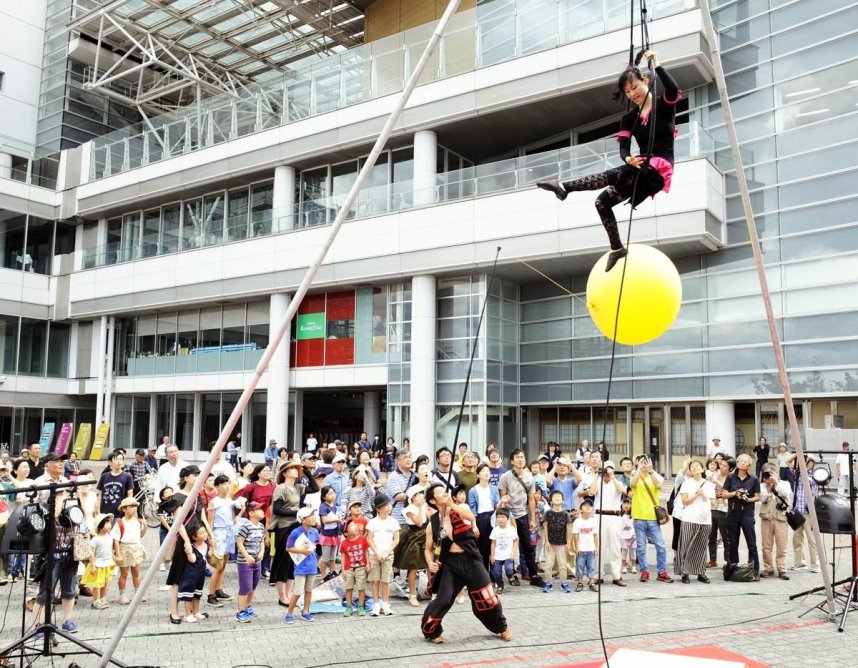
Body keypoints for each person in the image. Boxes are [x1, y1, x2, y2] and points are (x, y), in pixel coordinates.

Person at [536, 50, 679, 271]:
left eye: (635, 87)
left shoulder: (664, 105)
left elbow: (671, 87)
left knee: (614, 175)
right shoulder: (628, 119)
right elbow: (623, 149)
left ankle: (565, 186)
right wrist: (627, 157)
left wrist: (657, 64)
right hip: (638, 169)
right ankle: (617, 248)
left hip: (657, 170)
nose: (632, 94)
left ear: (646, 81)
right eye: (627, 91)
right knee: (601, 202)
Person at [422, 484, 511, 644]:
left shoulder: (458, 508)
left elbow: (470, 517)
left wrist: (451, 504)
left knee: (488, 597)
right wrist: (430, 562)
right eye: (440, 493)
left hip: (471, 559)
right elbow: (428, 549)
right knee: (443, 599)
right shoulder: (432, 523)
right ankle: (432, 631)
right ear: (432, 500)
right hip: (450, 564)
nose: (444, 494)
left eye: (445, 491)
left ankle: (501, 627)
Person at [166, 466, 214, 624]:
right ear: (185, 478)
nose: (198, 478)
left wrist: (211, 536)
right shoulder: (177, 497)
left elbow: (204, 519)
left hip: (199, 540)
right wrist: (186, 541)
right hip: (184, 541)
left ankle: (194, 610)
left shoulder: (198, 496)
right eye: (195, 475)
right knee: (177, 577)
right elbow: (178, 522)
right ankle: (174, 612)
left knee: (196, 575)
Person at [269, 460, 317, 606]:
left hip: (296, 526)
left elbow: (314, 488)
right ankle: (282, 595)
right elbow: (277, 509)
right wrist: (298, 512)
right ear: (284, 473)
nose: (296, 471)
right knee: (282, 560)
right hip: (283, 527)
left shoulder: (298, 487)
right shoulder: (281, 488)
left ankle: (289, 594)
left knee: (293, 561)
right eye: (292, 469)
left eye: (297, 469)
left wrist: (307, 471)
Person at [497, 449, 545, 588]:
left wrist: (531, 519)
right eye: (517, 457)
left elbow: (531, 499)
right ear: (512, 461)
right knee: (507, 544)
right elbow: (502, 497)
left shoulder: (530, 477)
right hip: (508, 516)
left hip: (523, 515)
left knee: (528, 546)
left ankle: (533, 575)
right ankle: (510, 575)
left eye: (522, 457)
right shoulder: (505, 477)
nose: (520, 460)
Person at [583, 455, 629, 586]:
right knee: (599, 546)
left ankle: (616, 575)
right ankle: (598, 575)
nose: (607, 473)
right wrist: (597, 475)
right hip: (599, 516)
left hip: (614, 517)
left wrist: (612, 476)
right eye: (605, 470)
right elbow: (591, 492)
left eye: (609, 470)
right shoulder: (597, 481)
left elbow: (623, 491)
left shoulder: (618, 482)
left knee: (615, 547)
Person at [629, 454, 671, 584]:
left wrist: (650, 470)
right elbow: (633, 483)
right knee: (641, 546)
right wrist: (639, 469)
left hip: (653, 518)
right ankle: (644, 571)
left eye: (646, 461)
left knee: (660, 545)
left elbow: (658, 485)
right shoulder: (635, 475)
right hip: (639, 517)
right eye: (642, 461)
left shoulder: (655, 475)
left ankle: (662, 571)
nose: (644, 463)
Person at [722, 453, 761, 578]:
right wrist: (735, 493)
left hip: (747, 514)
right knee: (733, 543)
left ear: (749, 465)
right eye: (741, 461)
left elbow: (757, 497)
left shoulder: (754, 479)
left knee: (752, 543)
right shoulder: (730, 477)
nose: (743, 463)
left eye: (746, 461)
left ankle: (754, 569)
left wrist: (747, 499)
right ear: (737, 463)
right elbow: (724, 494)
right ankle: (733, 567)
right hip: (733, 513)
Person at [676, 460, 714, 584]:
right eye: (692, 467)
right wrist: (696, 495)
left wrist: (703, 495)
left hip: (704, 519)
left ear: (703, 469)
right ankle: (684, 572)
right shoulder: (686, 483)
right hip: (689, 518)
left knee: (701, 547)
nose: (695, 468)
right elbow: (684, 501)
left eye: (698, 466)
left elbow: (713, 503)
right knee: (685, 545)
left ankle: (700, 572)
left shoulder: (708, 484)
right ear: (690, 471)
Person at [206, 474, 238, 607]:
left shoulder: (231, 501)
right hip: (219, 533)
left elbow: (233, 518)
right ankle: (210, 595)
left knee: (224, 564)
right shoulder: (214, 501)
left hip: (229, 532)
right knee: (218, 565)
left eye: (228, 483)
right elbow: (210, 521)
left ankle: (219, 589)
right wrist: (211, 537)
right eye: (224, 484)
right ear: (217, 486)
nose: (227, 486)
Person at [366, 492, 400, 617]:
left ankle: (385, 603)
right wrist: (377, 553)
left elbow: (396, 539)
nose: (389, 507)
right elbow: (369, 539)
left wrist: (386, 552)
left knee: (385, 580)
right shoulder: (372, 522)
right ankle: (376, 604)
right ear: (378, 509)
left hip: (388, 555)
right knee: (375, 580)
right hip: (374, 555)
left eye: (389, 505)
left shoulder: (394, 521)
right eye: (386, 505)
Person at [284, 507, 320, 624]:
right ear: (302, 520)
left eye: (314, 515)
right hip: (300, 566)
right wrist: (302, 551)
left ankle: (305, 611)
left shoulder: (314, 531)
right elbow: (288, 548)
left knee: (309, 590)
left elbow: (316, 542)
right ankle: (289, 613)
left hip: (312, 565)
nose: (313, 518)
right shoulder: (295, 532)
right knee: (298, 592)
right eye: (310, 516)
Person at [788, 452, 821, 573]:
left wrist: (808, 461)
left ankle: (816, 564)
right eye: (806, 460)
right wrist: (798, 454)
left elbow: (807, 480)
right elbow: (787, 461)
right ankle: (800, 563)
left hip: (809, 511)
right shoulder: (797, 473)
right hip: (797, 510)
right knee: (797, 538)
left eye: (809, 461)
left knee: (812, 539)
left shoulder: (816, 475)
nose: (807, 462)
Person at [234, 501, 267, 623]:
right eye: (259, 509)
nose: (262, 511)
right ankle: (240, 612)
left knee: (253, 586)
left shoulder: (261, 526)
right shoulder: (245, 526)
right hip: (245, 562)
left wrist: (262, 552)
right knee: (245, 587)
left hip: (257, 561)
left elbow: (262, 541)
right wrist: (247, 556)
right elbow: (239, 543)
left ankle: (248, 607)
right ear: (251, 513)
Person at [759, 463, 792, 580]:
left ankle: (782, 569)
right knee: (766, 546)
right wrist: (768, 486)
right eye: (767, 473)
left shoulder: (784, 483)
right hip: (766, 518)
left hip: (781, 518)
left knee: (782, 546)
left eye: (772, 472)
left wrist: (776, 482)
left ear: (776, 472)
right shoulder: (762, 486)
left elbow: (786, 493)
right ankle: (768, 568)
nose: (770, 475)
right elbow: (762, 498)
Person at [111, 497, 147, 605]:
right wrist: (118, 554)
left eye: (135, 506)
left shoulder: (137, 521)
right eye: (131, 506)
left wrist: (145, 526)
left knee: (136, 573)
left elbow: (140, 535)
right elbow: (116, 540)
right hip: (124, 548)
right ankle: (122, 595)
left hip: (135, 548)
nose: (134, 508)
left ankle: (138, 593)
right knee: (124, 573)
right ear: (124, 509)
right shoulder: (120, 523)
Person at [468, 463, 500, 569]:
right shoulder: (473, 490)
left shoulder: (494, 488)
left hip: (493, 517)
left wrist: (503, 501)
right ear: (478, 475)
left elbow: (497, 506)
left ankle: (494, 575)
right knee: (483, 547)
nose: (486, 473)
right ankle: (484, 573)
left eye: (488, 471)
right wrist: (474, 525)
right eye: (483, 471)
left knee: (494, 545)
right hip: (480, 519)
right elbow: (472, 510)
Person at [82, 513, 116, 610]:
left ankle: (103, 598)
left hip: (107, 564)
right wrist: (92, 566)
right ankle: (96, 600)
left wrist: (113, 558)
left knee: (105, 582)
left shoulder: (110, 537)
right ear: (100, 525)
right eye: (106, 523)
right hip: (98, 565)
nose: (109, 525)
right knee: (97, 584)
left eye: (109, 523)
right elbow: (91, 554)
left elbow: (110, 550)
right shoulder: (95, 540)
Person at [177, 522, 210, 624]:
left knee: (197, 594)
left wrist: (213, 546)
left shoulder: (206, 545)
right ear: (194, 537)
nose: (205, 534)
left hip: (200, 575)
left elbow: (210, 555)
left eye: (205, 532)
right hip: (190, 576)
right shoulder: (192, 547)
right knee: (189, 595)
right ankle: (188, 615)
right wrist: (189, 552)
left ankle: (196, 612)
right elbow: (192, 560)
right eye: (201, 533)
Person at [542, 490, 572, 593]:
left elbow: (569, 529)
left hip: (562, 542)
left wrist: (568, 542)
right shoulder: (548, 513)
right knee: (548, 564)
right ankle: (548, 583)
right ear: (551, 501)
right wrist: (546, 541)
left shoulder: (566, 514)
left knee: (562, 564)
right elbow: (545, 527)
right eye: (555, 497)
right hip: (550, 542)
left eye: (559, 497)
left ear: (563, 501)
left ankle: (564, 583)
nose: (557, 498)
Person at [707, 456, 734, 569]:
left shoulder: (732, 478)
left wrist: (717, 482)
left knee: (726, 537)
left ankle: (728, 561)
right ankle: (713, 560)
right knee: (711, 536)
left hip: (724, 509)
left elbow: (730, 490)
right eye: (721, 465)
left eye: (724, 466)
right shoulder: (715, 475)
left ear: (730, 468)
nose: (721, 467)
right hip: (712, 507)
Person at [340, 519, 369, 617]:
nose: (356, 527)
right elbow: (343, 556)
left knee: (361, 588)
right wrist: (343, 570)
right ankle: (349, 607)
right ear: (346, 532)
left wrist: (368, 564)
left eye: (356, 525)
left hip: (361, 567)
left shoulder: (362, 539)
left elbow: (366, 552)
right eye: (352, 526)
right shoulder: (344, 543)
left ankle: (361, 606)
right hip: (349, 569)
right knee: (349, 588)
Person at [572, 498, 599, 592]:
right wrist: (577, 547)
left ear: (592, 509)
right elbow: (575, 536)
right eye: (585, 505)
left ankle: (592, 583)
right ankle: (580, 583)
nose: (587, 507)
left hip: (591, 549)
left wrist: (596, 547)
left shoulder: (594, 521)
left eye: (590, 506)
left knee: (591, 566)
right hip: (581, 549)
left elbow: (596, 535)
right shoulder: (577, 522)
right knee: (580, 566)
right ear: (580, 509)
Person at [489, 508, 518, 592]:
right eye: (498, 517)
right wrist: (492, 555)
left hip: (508, 555)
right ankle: (500, 586)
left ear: (507, 518)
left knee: (509, 569)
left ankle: (510, 576)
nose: (500, 519)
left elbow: (515, 541)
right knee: (497, 573)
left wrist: (513, 553)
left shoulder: (511, 529)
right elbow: (493, 543)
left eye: (503, 517)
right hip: (498, 555)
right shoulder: (495, 530)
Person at [318, 486, 342, 581]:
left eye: (333, 493)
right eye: (329, 494)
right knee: (325, 558)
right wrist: (336, 520)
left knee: (333, 558)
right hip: (327, 535)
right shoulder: (323, 506)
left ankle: (332, 574)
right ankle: (323, 576)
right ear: (324, 497)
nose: (332, 495)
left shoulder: (334, 506)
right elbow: (325, 520)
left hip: (334, 534)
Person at [128, 449, 155, 519]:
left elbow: (151, 471)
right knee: (133, 499)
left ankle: (140, 514)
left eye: (143, 455)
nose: (142, 457)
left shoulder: (145, 463)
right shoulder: (132, 464)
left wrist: (149, 475)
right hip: (134, 484)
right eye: (140, 455)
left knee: (142, 500)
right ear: (136, 456)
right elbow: (129, 474)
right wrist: (133, 477)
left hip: (142, 484)